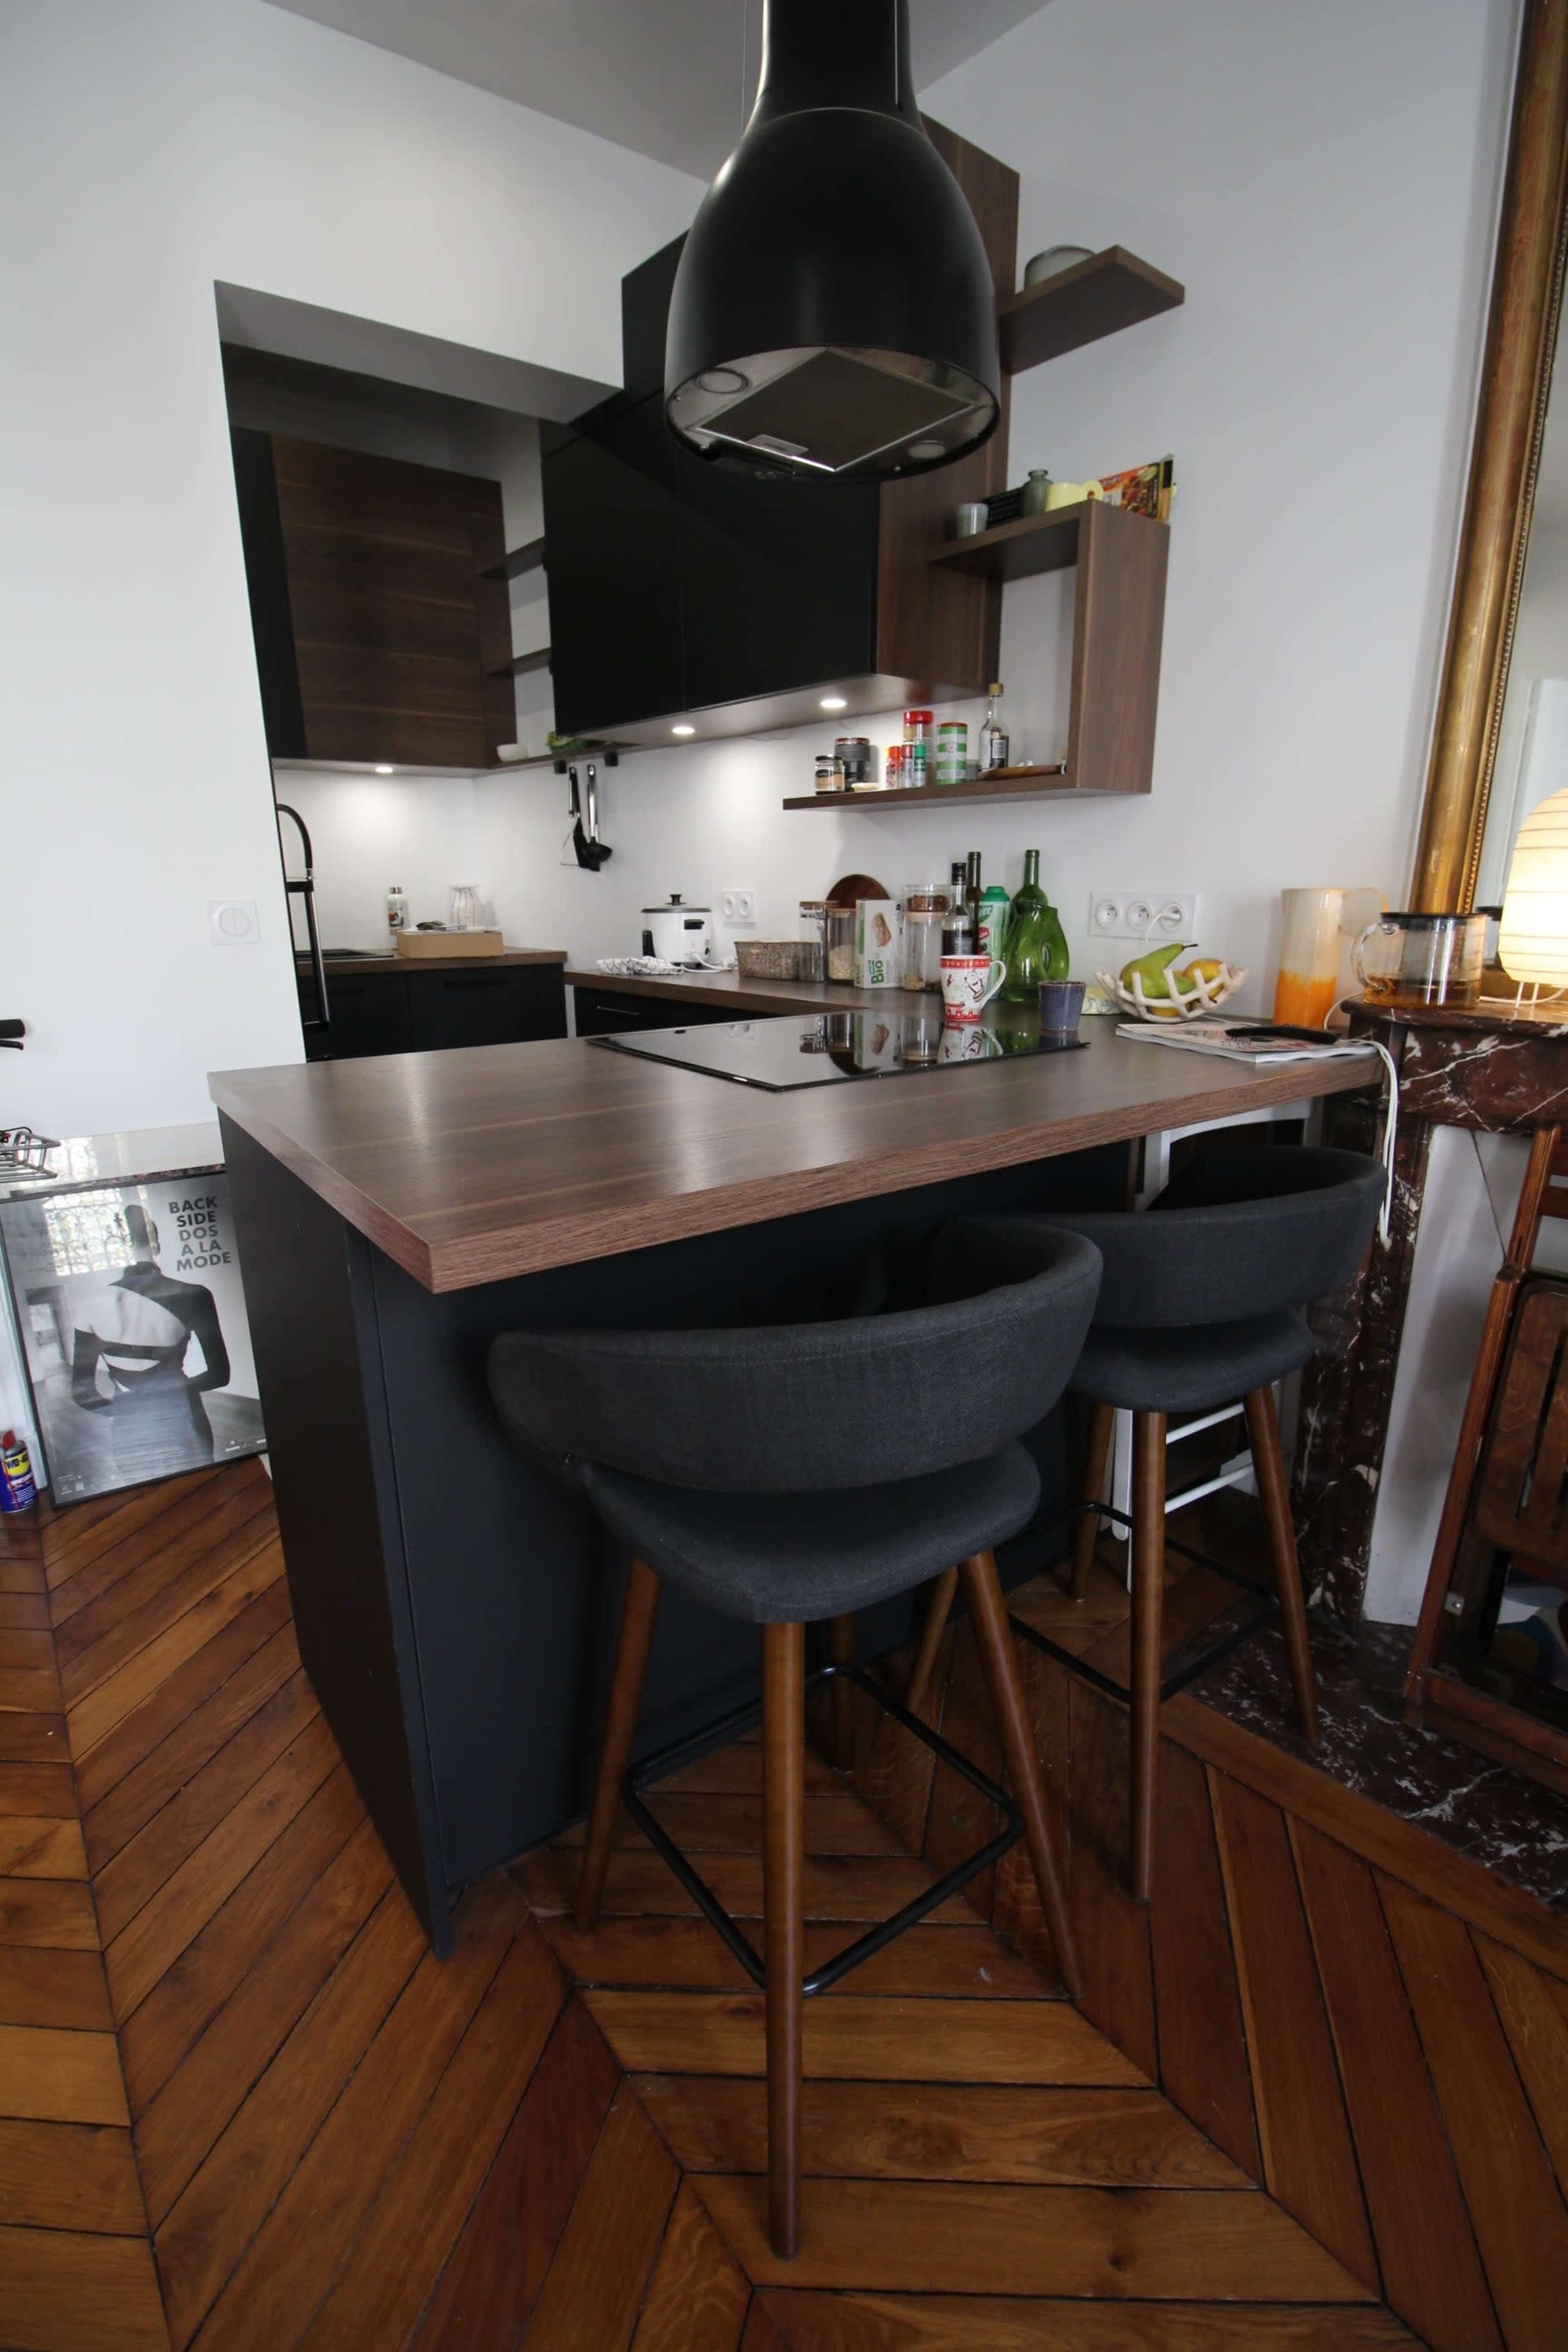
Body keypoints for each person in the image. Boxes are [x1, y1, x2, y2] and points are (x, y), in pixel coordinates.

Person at [70, 1204, 230, 1481]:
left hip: (128, 1423)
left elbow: (83, 1393)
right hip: (183, 1413)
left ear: (117, 1248)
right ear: (157, 1244)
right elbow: (220, 1375)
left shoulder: (88, 1306)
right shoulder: (195, 1295)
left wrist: (131, 1407)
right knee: (203, 1494)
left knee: (145, 1502)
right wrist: (175, 1392)